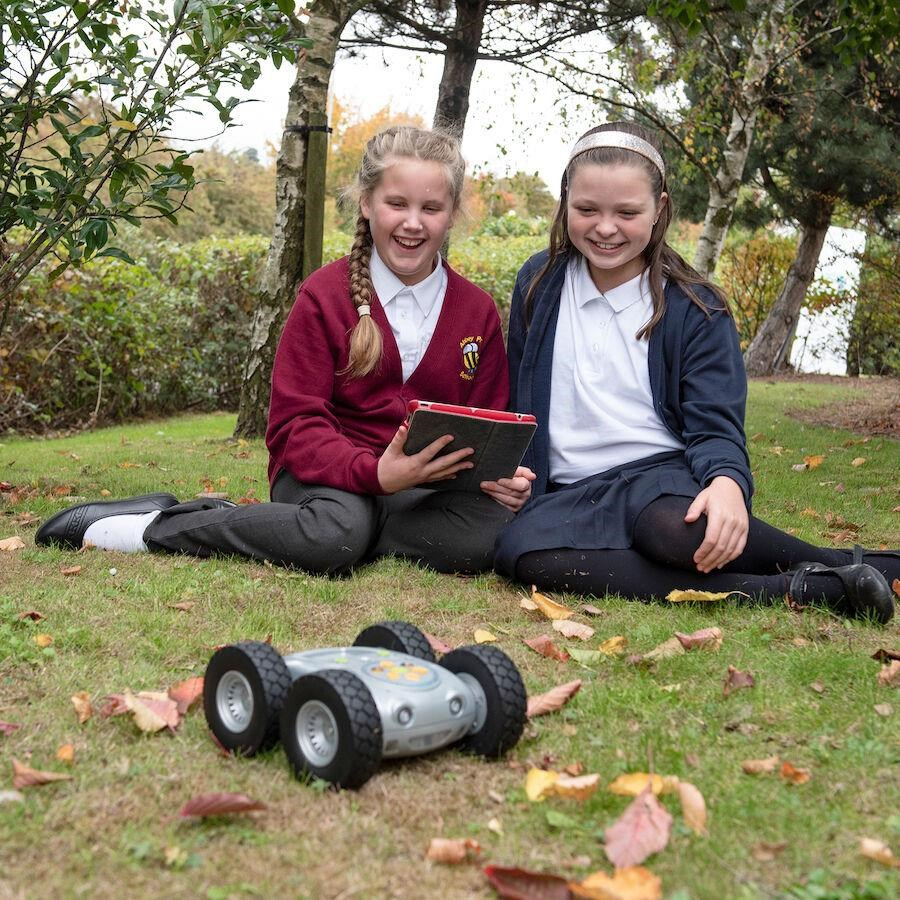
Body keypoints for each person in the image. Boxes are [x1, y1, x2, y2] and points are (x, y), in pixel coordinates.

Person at [37, 126, 533, 575]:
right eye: (397, 203)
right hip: (323, 475)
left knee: (491, 536)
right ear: (366, 203)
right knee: (335, 531)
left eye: (431, 209)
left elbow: (486, 428)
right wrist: (374, 474)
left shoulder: (477, 310)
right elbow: (295, 426)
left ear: (452, 214)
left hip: (421, 490)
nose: (413, 223)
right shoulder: (324, 295)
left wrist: (499, 480)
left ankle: (322, 530)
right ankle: (154, 526)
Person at [494, 122, 897, 624]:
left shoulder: (696, 307)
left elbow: (715, 423)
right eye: (587, 210)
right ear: (565, 202)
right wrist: (511, 470)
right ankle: (808, 587)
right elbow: (519, 401)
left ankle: (850, 564)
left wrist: (727, 482)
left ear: (659, 207)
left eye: (627, 213)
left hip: (659, 480)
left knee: (680, 533)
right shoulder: (538, 282)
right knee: (522, 554)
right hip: (572, 492)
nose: (605, 228)